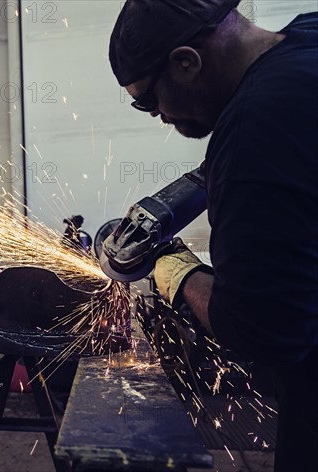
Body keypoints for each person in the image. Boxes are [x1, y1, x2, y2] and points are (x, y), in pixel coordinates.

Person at [109, 1, 318, 471]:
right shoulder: (306, 39)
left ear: (186, 63)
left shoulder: (255, 128)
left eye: (148, 100)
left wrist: (173, 268)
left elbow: (261, 331)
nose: (156, 114)